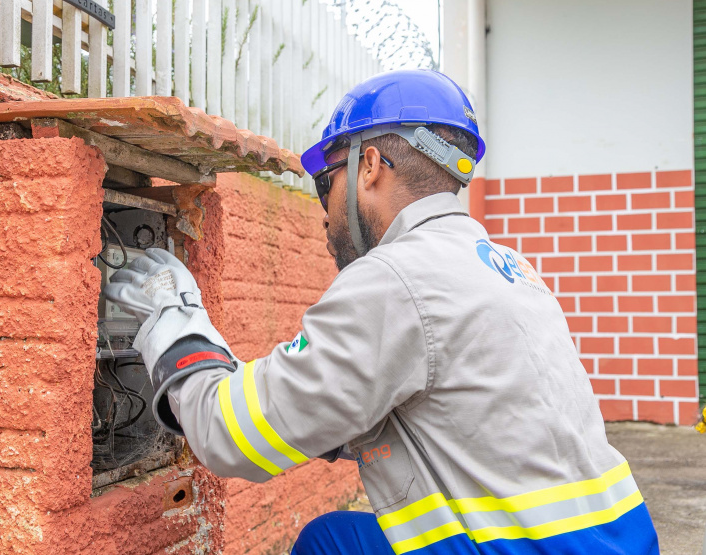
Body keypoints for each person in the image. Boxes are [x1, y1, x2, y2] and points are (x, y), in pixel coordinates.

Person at [104, 70, 659, 554]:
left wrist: (170, 312)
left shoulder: (398, 278)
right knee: (335, 541)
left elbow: (230, 435)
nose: (324, 216)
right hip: (621, 538)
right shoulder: (505, 268)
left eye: (327, 183)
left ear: (369, 165)